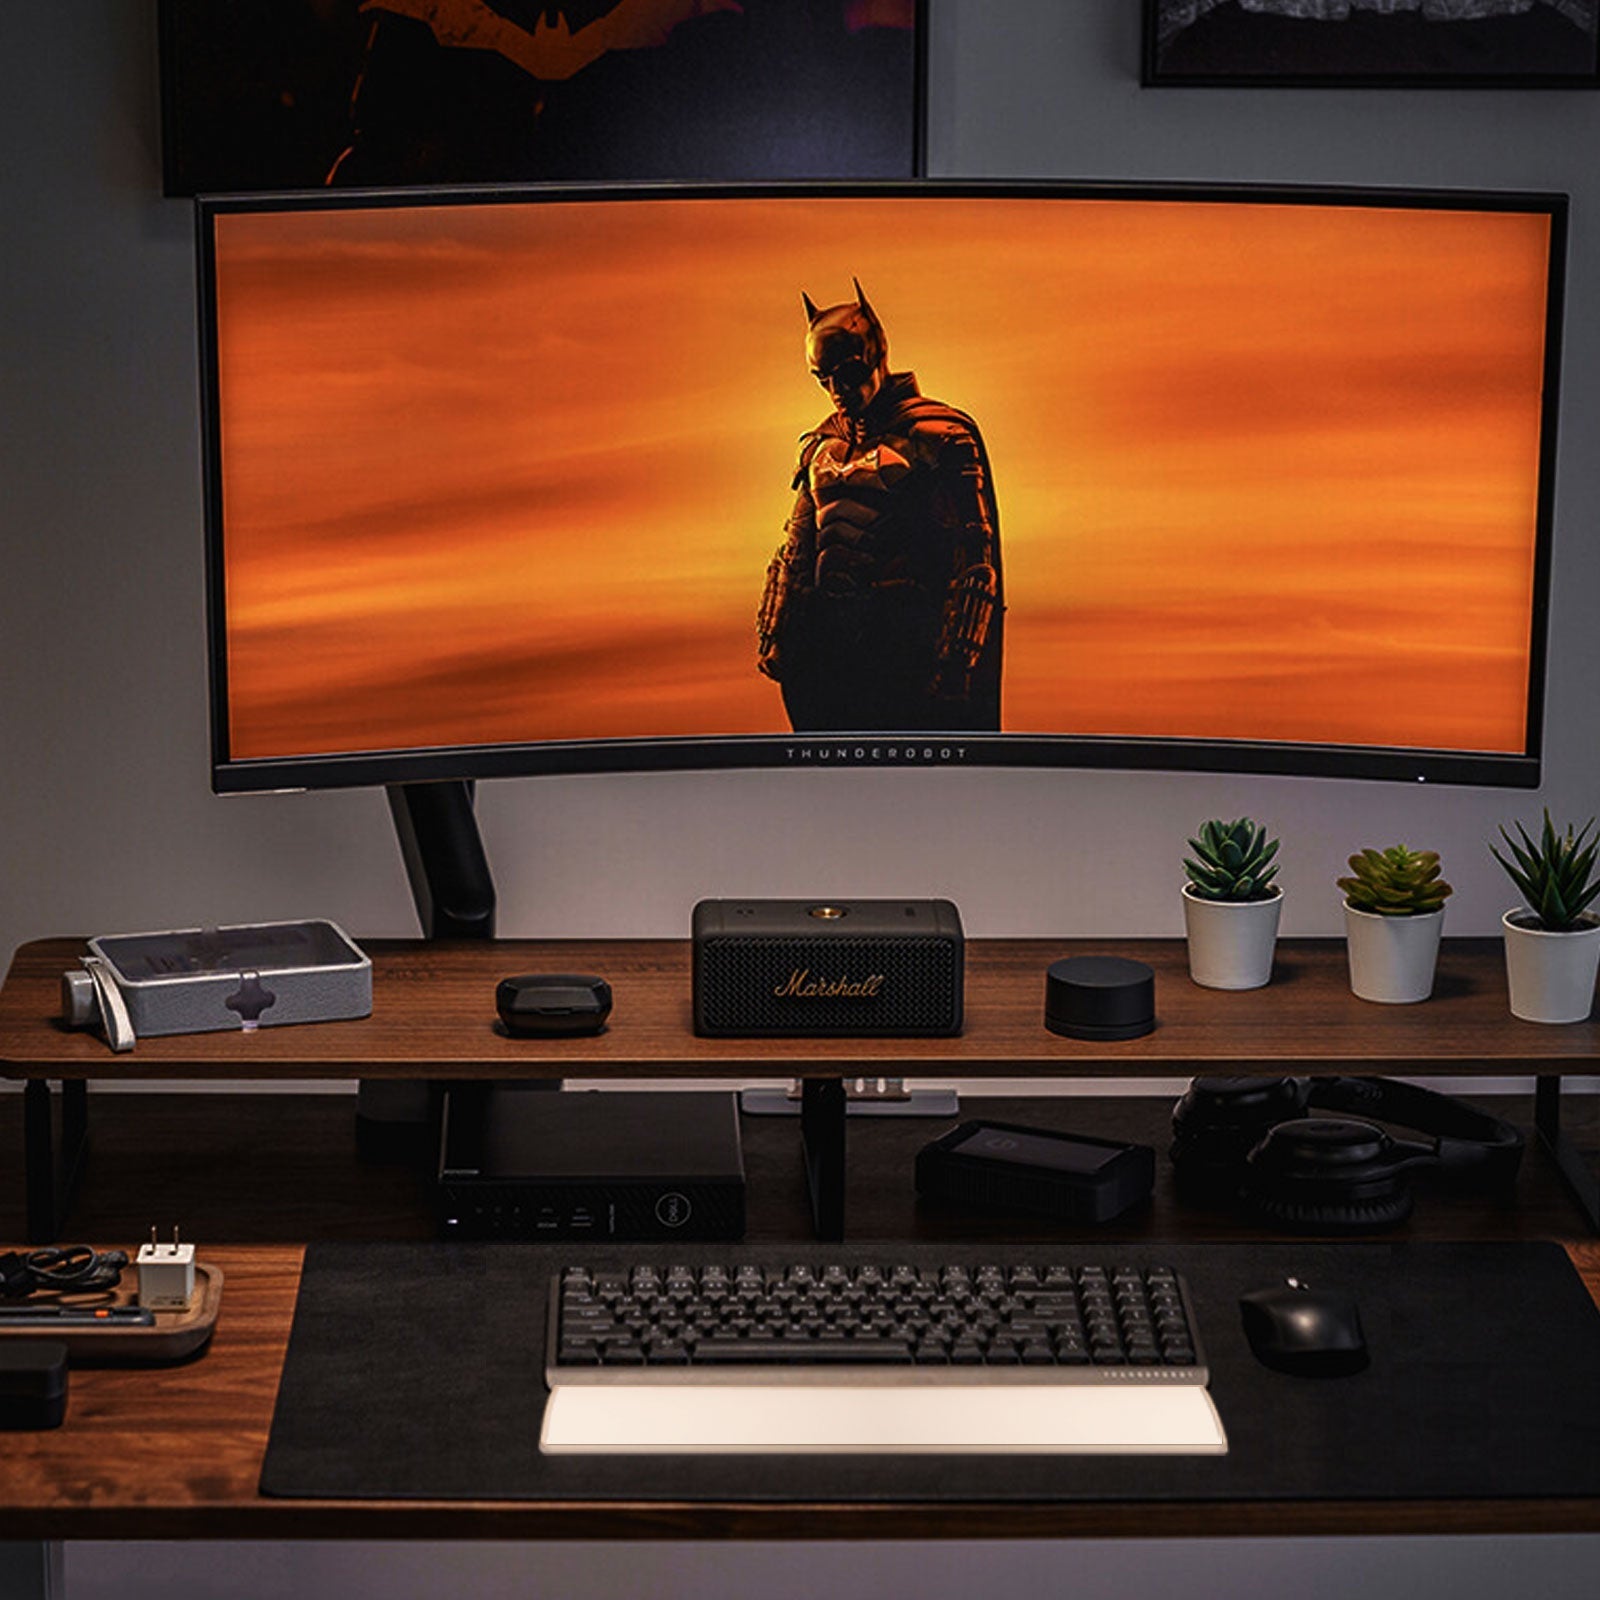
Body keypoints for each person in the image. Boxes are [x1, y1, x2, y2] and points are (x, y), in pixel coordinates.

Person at [757, 280, 1004, 732]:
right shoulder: (821, 445)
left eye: (847, 373)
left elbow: (974, 557)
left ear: (876, 356)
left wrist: (957, 662)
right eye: (823, 378)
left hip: (903, 643)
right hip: (826, 650)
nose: (836, 389)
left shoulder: (937, 435)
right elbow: (797, 550)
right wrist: (779, 632)